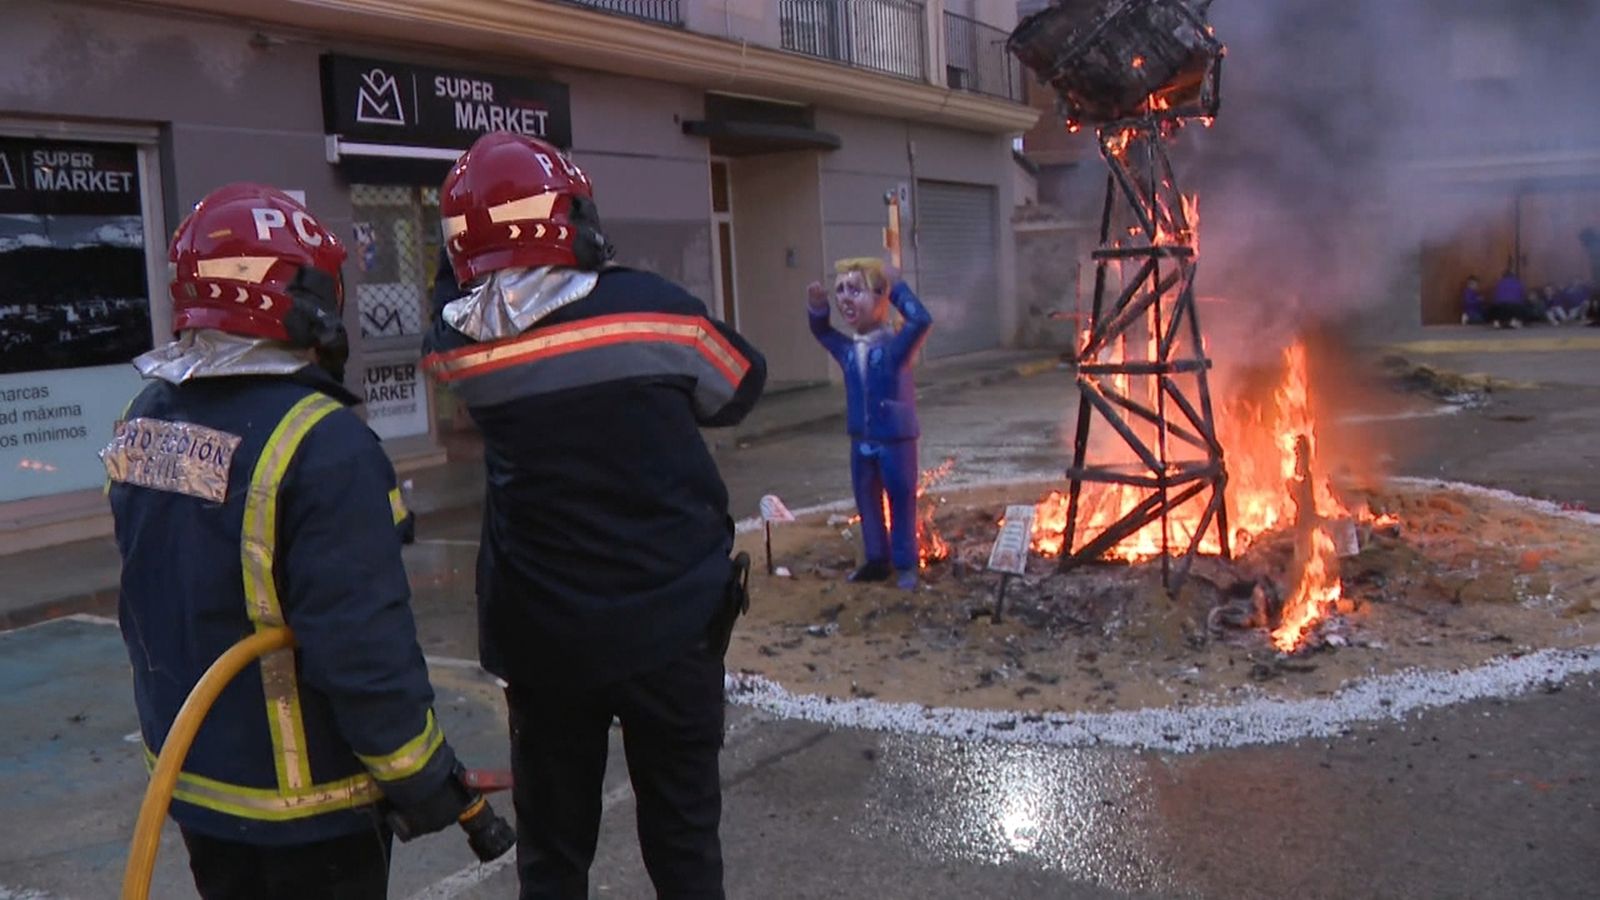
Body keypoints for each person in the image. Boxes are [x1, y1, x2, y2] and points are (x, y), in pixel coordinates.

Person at [104, 183, 496, 899]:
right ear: (298, 294)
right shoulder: (325, 443)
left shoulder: (146, 415)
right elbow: (359, 643)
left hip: (194, 782)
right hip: (308, 806)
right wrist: (421, 777)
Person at [420, 132, 766, 899]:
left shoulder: (458, 349)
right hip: (671, 627)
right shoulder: (658, 312)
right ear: (571, 218)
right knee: (682, 846)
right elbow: (740, 387)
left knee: (553, 854)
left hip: (543, 642)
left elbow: (450, 301)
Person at [806, 257, 934, 590]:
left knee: (901, 499)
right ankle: (877, 558)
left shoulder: (894, 348)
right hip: (860, 439)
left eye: (855, 290)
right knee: (866, 501)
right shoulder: (849, 351)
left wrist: (898, 288)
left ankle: (906, 563)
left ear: (880, 297)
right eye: (840, 291)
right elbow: (822, 332)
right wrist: (817, 310)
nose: (846, 299)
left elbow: (920, 320)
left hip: (895, 439)